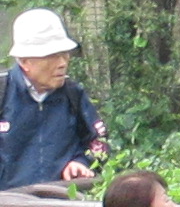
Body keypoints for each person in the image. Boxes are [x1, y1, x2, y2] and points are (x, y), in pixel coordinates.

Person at [0, 10, 107, 192]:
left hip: (62, 204)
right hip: (8, 206)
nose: (62, 63)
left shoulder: (73, 95)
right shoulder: (3, 92)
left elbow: (99, 141)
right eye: (51, 56)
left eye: (64, 54)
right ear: (25, 61)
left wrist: (82, 162)